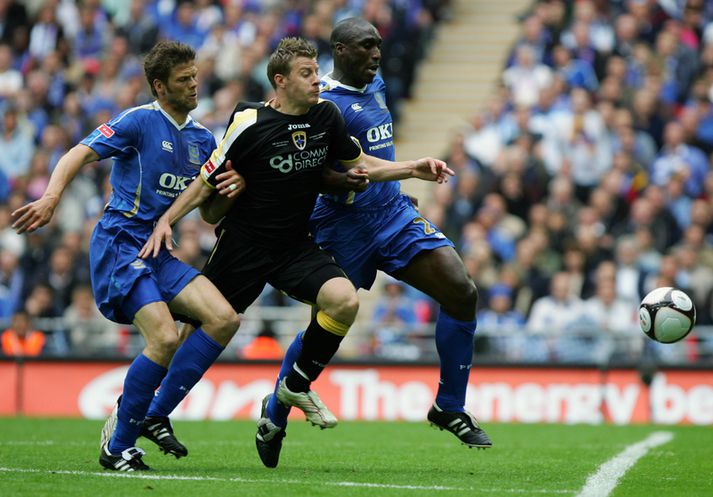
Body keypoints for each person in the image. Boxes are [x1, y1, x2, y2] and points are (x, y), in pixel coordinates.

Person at [138, 37, 452, 466]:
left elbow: (360, 163)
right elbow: (206, 181)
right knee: (202, 328)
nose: (317, 80)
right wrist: (166, 220)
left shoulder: (327, 116)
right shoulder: (249, 120)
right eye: (307, 73)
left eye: (316, 71)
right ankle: (148, 414)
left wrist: (413, 168)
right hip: (244, 244)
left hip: (292, 246)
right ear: (281, 81)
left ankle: (296, 383)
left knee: (343, 300)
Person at [255, 18, 492, 469]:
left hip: (392, 215)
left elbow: (375, 149)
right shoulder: (319, 102)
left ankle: (449, 406)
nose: (377, 54)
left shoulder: (376, 82)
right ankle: (275, 414)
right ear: (341, 51)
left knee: (462, 292)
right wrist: (349, 182)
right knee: (322, 331)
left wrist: (392, 185)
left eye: (379, 46)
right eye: (367, 47)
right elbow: (311, 172)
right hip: (341, 226)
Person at [11, 41, 241, 472]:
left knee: (224, 319)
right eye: (183, 80)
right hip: (121, 243)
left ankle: (154, 412)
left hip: (161, 250)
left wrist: (229, 192)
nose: (194, 85)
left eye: (194, 77)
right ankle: (118, 446)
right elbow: (78, 152)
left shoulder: (202, 137)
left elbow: (209, 211)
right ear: (159, 86)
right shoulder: (138, 121)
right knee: (165, 337)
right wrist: (51, 196)